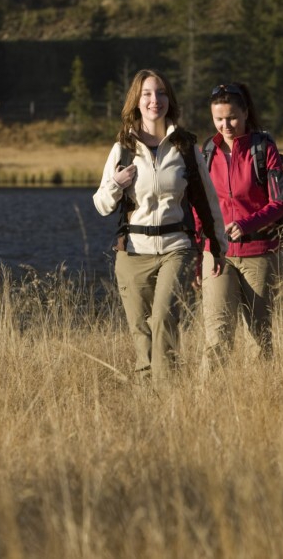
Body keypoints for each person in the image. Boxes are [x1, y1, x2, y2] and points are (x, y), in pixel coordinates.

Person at [93, 69, 227, 384]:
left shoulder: (186, 146)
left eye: (162, 93)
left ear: (170, 99)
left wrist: (216, 245)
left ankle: (170, 397)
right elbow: (101, 205)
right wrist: (116, 183)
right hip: (133, 253)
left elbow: (207, 201)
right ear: (136, 102)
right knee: (141, 332)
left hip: (176, 248)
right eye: (148, 94)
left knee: (165, 319)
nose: (156, 100)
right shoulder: (123, 148)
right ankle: (147, 400)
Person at [197, 83, 283, 374]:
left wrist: (246, 224)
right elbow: (198, 206)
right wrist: (199, 251)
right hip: (217, 256)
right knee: (217, 338)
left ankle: (260, 399)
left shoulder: (264, 149)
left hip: (259, 252)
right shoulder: (206, 152)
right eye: (219, 119)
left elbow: (279, 204)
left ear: (246, 113)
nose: (226, 125)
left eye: (232, 118)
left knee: (259, 338)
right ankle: (204, 403)